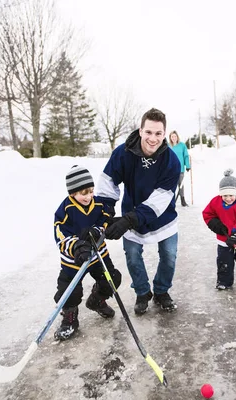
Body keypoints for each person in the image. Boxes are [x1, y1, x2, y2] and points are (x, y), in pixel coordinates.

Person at [96, 108, 181, 315]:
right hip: (132, 213)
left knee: (169, 256)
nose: (153, 138)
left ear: (164, 134)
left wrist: (128, 220)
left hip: (162, 218)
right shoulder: (122, 153)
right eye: (149, 132)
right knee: (133, 256)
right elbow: (108, 184)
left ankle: (161, 291)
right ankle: (142, 292)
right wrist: (106, 215)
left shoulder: (171, 162)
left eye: (158, 133)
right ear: (141, 130)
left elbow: (159, 201)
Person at [52, 165, 122, 341]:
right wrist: (76, 246)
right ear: (73, 193)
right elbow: (60, 235)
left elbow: (105, 218)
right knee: (69, 291)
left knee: (112, 279)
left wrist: (98, 230)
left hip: (98, 254)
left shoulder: (97, 203)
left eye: (91, 191)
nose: (89, 196)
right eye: (84, 193)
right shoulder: (65, 210)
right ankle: (70, 318)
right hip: (74, 259)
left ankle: (96, 300)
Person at [202, 169, 236, 290]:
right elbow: (207, 214)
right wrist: (215, 224)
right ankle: (224, 281)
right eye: (224, 195)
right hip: (224, 237)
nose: (228, 198)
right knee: (224, 261)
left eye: (231, 195)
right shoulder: (215, 202)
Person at [168, 130, 191, 207]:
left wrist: (187, 165)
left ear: (177, 137)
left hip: (180, 169)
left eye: (175, 136)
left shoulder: (182, 145)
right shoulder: (168, 146)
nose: (173, 138)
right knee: (172, 185)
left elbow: (186, 156)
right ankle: (172, 201)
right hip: (171, 170)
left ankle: (182, 200)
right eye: (172, 136)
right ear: (170, 138)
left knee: (181, 185)